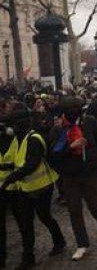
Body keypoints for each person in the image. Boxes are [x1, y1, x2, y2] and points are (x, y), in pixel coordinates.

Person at [1, 103, 66, 269]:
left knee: (44, 216)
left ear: (22, 123)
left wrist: (10, 179)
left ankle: (59, 241)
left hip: (42, 187)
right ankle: (28, 256)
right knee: (26, 222)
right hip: (23, 188)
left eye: (14, 123)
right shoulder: (16, 139)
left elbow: (31, 164)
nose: (11, 127)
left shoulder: (34, 139)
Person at [49, 96, 97, 261]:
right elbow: (53, 154)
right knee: (74, 210)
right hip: (70, 176)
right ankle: (82, 244)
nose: (72, 113)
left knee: (93, 204)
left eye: (75, 109)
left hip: (90, 172)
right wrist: (70, 147)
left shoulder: (90, 122)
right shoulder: (58, 129)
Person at [0, 104, 22, 269]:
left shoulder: (18, 138)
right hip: (1, 187)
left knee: (23, 221)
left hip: (17, 185)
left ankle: (28, 253)